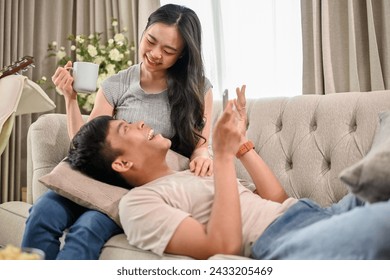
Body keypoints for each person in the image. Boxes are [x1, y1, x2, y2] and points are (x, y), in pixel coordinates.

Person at [67, 85, 390, 260]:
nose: (140, 123)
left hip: (315, 212)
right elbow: (224, 247)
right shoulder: (138, 205)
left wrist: (242, 146)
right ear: (121, 163)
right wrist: (221, 156)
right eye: (126, 128)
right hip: (285, 240)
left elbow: (277, 199)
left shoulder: (193, 170)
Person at [21, 4, 214, 259]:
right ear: (143, 31)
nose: (155, 54)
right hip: (95, 176)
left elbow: (201, 140)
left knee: (88, 228)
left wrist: (202, 154)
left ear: (181, 55)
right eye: (151, 41)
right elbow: (89, 144)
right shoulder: (116, 84)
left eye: (168, 50)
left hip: (135, 189)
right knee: (43, 213)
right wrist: (70, 99)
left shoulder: (197, 88)